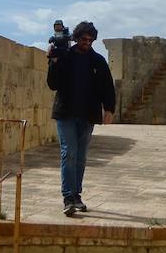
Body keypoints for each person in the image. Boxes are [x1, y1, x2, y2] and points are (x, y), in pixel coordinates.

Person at [46, 20, 116, 216]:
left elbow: (107, 86)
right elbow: (53, 84)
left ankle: (76, 195)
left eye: (91, 39)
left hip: (88, 115)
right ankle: (68, 197)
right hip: (66, 113)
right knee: (69, 153)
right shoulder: (64, 57)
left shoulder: (98, 61)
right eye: (84, 39)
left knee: (81, 157)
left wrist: (109, 108)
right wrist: (53, 63)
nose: (88, 42)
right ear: (76, 38)